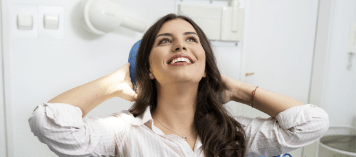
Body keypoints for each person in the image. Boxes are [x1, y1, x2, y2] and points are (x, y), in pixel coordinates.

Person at [28, 13, 330, 157]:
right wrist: (116, 82)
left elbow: (312, 123)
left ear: (204, 66)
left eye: (191, 40)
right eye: (165, 41)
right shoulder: (123, 132)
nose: (180, 46)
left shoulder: (234, 131)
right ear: (149, 67)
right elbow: (48, 122)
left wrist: (238, 90)